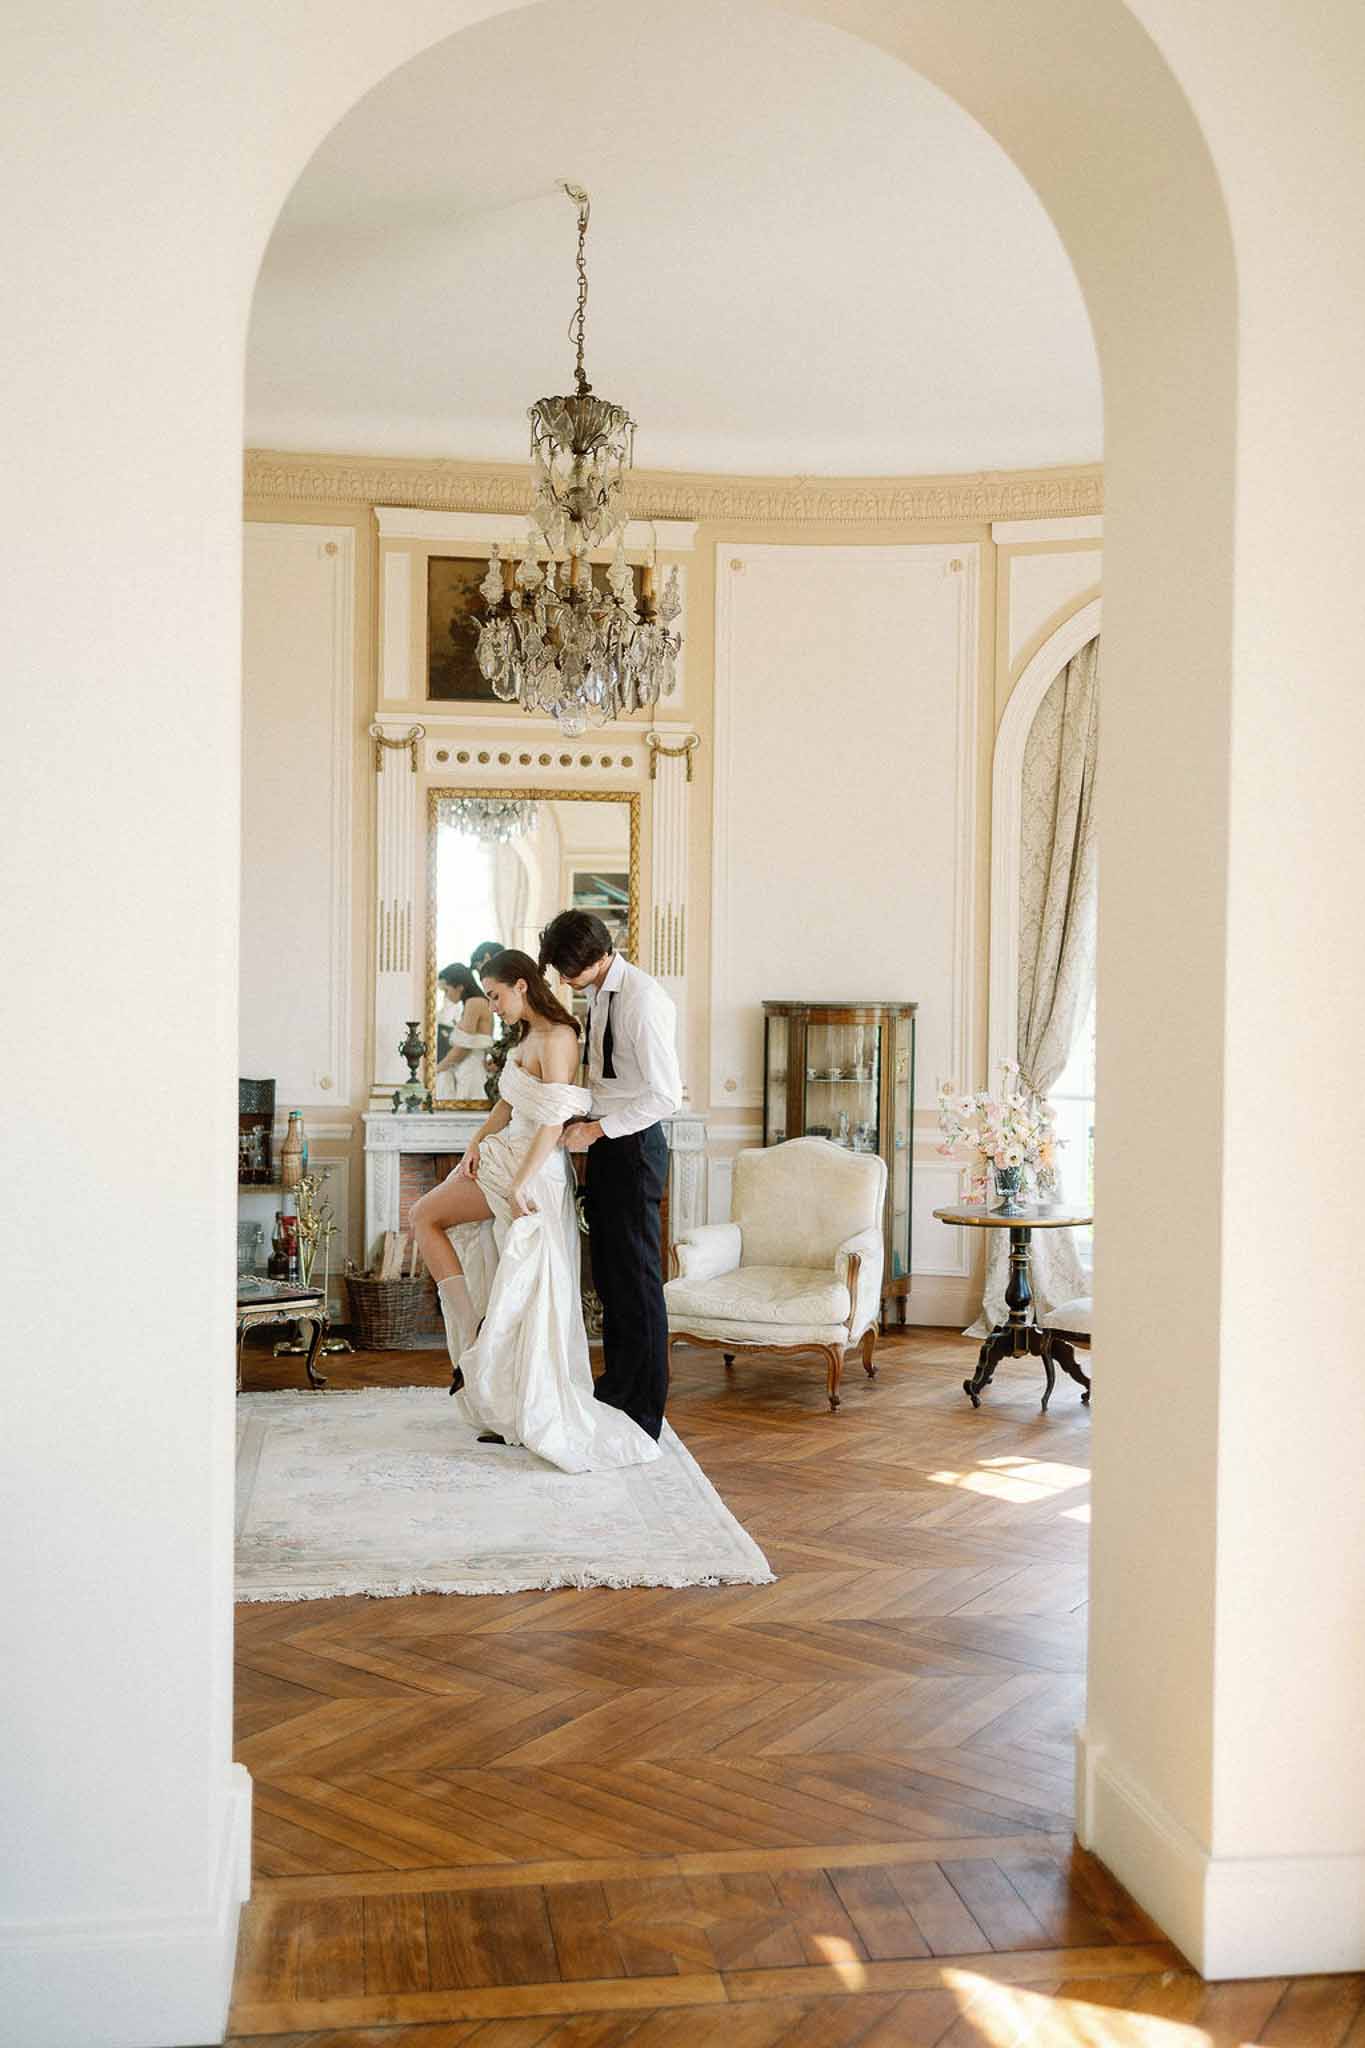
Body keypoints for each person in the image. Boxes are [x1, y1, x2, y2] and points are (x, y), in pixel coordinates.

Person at [408, 949, 661, 1472]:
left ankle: (478, 1342)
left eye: (497, 995)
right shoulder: (525, 1036)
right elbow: (506, 1104)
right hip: (503, 1156)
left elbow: (551, 1123)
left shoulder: (561, 1037)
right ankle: (491, 1369)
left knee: (428, 1219)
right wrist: (473, 1144)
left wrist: (520, 1181)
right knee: (500, 1275)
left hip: (531, 1171)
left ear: (522, 986)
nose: (492, 1005)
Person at [538, 910, 681, 1442]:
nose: (560, 980)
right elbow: (607, 1078)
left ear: (597, 957)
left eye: (566, 969)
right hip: (606, 1140)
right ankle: (618, 1389)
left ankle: (646, 1409)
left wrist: (597, 1133)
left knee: (639, 1280)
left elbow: (665, 1095)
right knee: (611, 1276)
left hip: (634, 1147)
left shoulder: (643, 1000)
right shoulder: (598, 992)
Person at [431, 963, 494, 1102]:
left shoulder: (474, 1003)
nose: (446, 996)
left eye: (446, 990)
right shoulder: (475, 1002)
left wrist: (436, 1069)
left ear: (460, 987)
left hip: (471, 1071)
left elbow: (463, 1048)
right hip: (469, 1069)